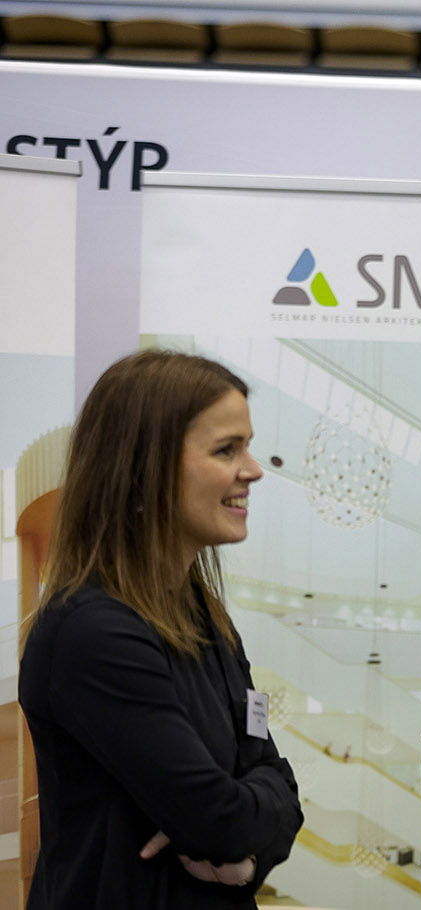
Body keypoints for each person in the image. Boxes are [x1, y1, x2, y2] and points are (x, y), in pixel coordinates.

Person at [19, 350, 303, 909]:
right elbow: (218, 818)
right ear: (145, 465)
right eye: (227, 449)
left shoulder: (208, 622)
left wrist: (247, 854)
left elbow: (280, 788)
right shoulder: (94, 632)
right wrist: (237, 820)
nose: (253, 470)